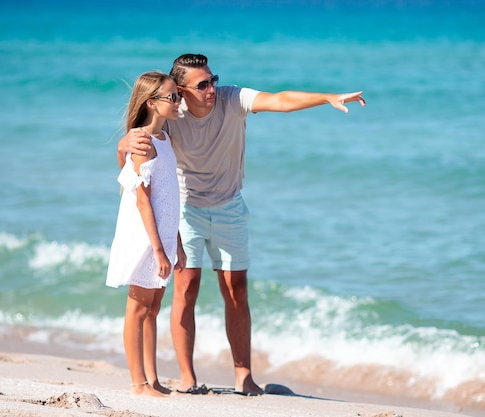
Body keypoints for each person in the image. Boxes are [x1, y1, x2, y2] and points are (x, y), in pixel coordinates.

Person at [118, 54, 365, 396]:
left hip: (229, 207)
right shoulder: (171, 111)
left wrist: (326, 98)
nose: (212, 88)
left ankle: (243, 376)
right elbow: (137, 153)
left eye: (213, 79)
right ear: (181, 91)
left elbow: (278, 100)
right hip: (185, 208)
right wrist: (122, 143)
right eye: (202, 85)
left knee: (237, 292)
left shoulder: (232, 99)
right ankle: (187, 379)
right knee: (185, 290)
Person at [106, 71, 186, 397]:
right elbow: (141, 200)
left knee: (153, 309)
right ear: (152, 102)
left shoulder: (165, 139)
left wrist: (175, 240)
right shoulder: (142, 142)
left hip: (164, 236)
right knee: (137, 310)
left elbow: (168, 195)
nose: (178, 101)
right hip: (145, 240)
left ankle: (153, 380)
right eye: (172, 97)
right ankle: (138, 383)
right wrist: (157, 250)